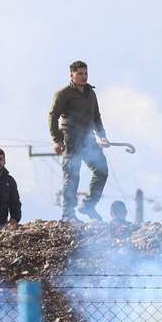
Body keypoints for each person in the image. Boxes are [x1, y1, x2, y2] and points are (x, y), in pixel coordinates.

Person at [49, 60, 109, 221]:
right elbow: (53, 116)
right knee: (72, 175)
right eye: (80, 74)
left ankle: (89, 205)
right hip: (71, 140)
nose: (84, 77)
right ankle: (68, 214)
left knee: (102, 170)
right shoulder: (64, 94)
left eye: (85, 73)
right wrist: (57, 140)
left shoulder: (91, 93)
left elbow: (96, 116)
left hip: (89, 140)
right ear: (71, 75)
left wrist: (102, 135)